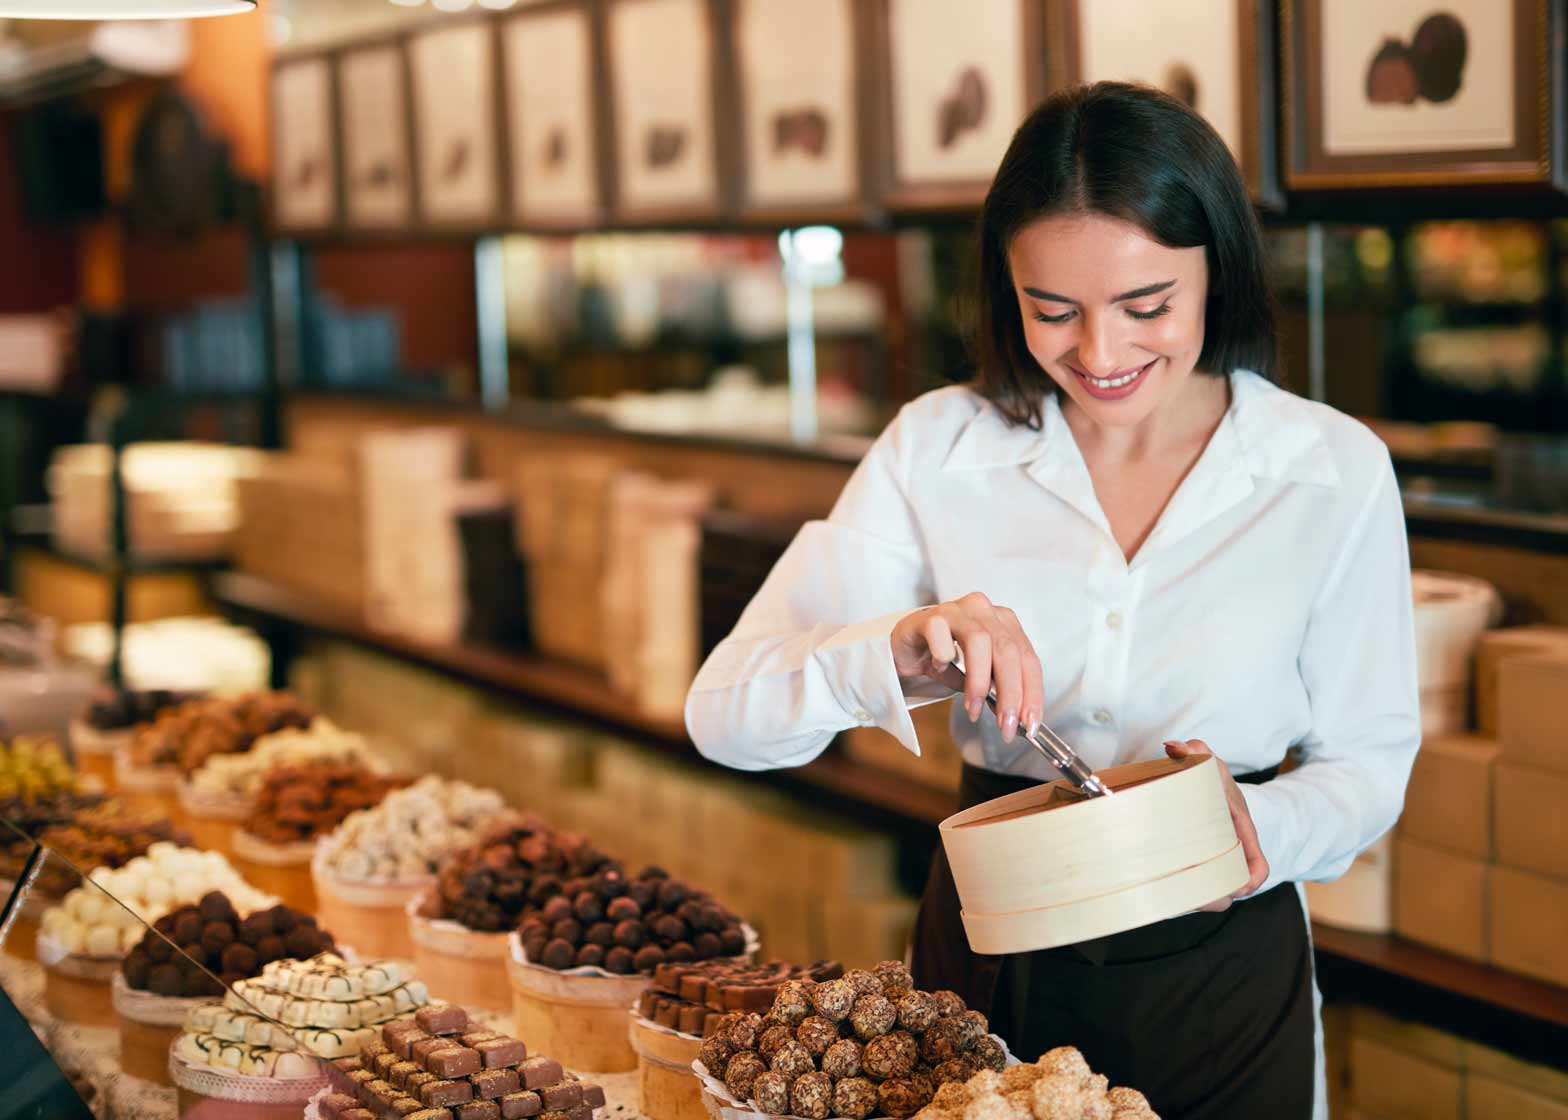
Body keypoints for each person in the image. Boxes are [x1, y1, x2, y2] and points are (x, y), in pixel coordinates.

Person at [685, 82, 1419, 1120]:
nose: (1101, 355)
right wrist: (895, 650)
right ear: (1005, 288)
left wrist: (1259, 826)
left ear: (1218, 268)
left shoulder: (1330, 469)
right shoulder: (937, 446)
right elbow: (722, 715)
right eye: (1053, 311)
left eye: (1146, 306)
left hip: (1221, 963)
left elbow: (1370, 759)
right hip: (988, 960)